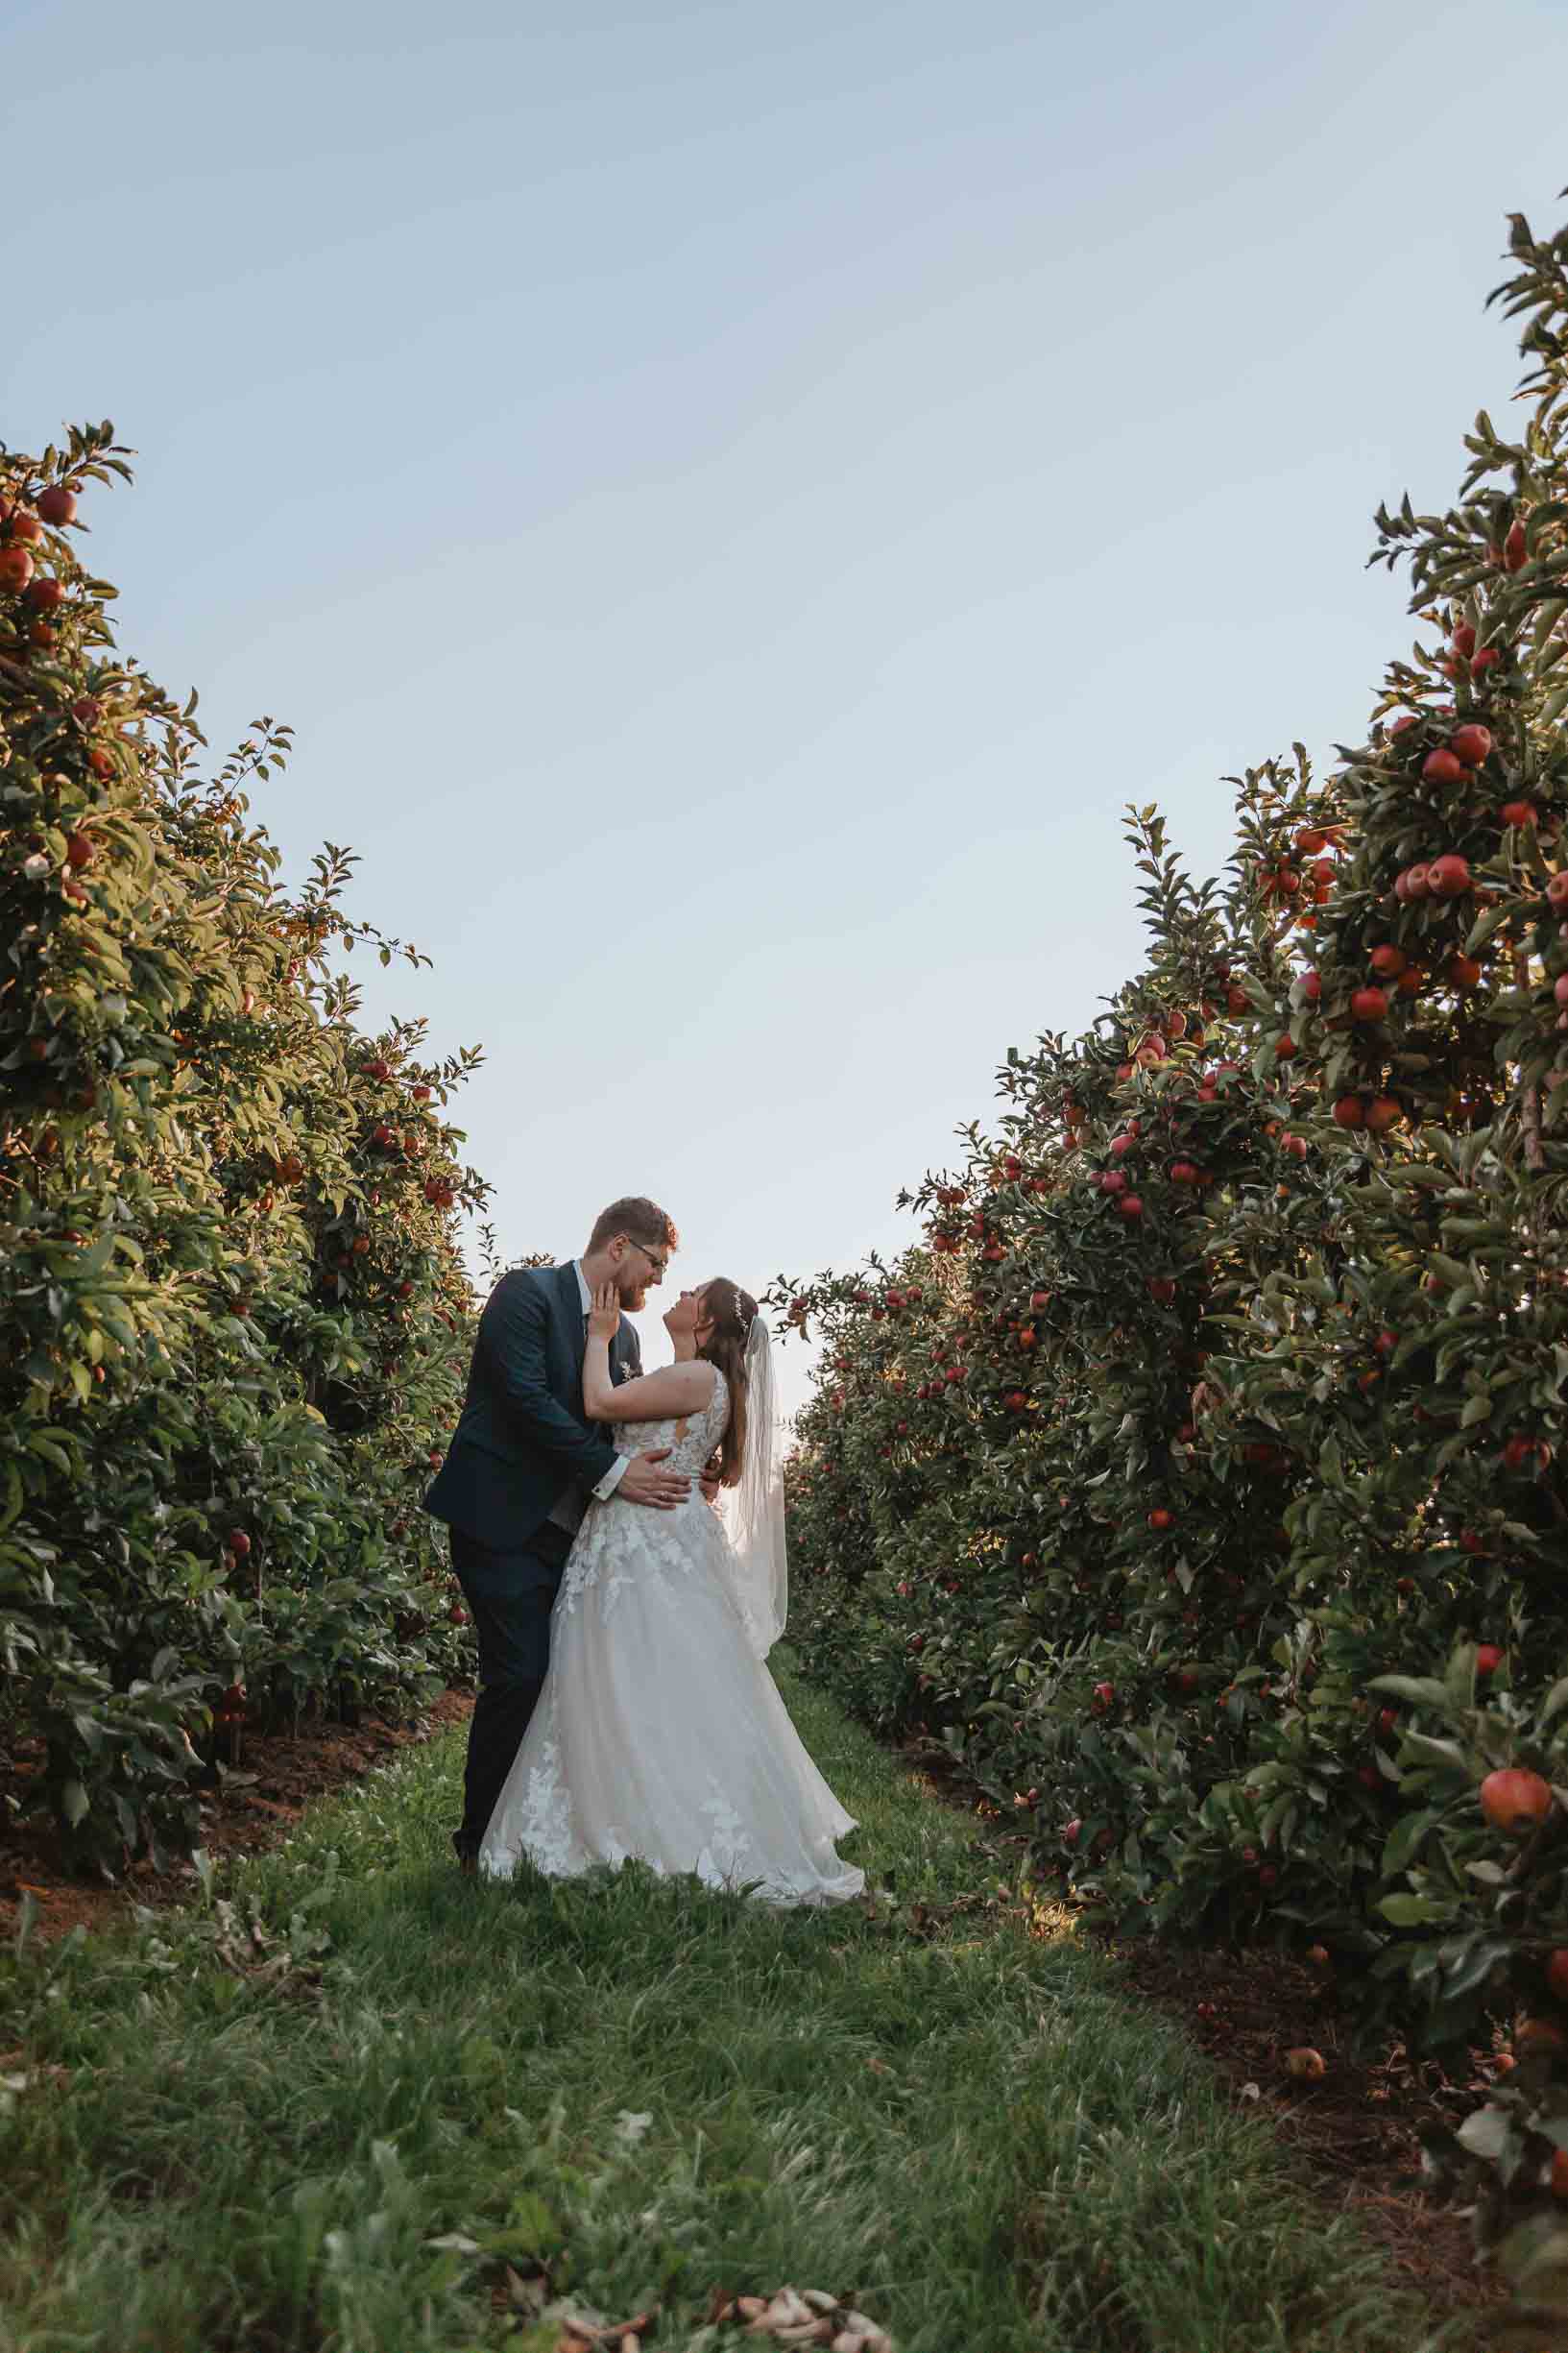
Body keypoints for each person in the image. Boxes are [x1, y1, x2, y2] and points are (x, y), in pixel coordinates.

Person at [478, 1273, 864, 1906]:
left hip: (640, 1537)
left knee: (623, 1674)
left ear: (706, 1323)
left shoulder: (695, 1378)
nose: (679, 1296)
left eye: (692, 1295)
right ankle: (637, 1812)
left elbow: (600, 1405)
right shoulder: (696, 1378)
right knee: (645, 1678)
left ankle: (642, 1827)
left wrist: (600, 1336)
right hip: (648, 1535)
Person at [425, 1196, 691, 1873]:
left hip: (572, 1538)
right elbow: (523, 1399)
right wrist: (610, 1470)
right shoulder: (526, 1292)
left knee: (561, 1685)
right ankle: (478, 1844)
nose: (656, 1280)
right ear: (618, 1249)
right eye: (655, 1264)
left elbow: (620, 1419)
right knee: (520, 1675)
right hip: (499, 1520)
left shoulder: (624, 1340)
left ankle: (538, 1839)